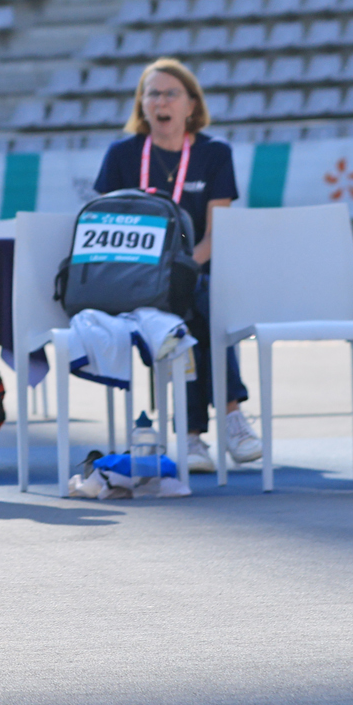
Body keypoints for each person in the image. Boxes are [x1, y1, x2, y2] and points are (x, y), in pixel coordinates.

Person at [91, 58, 260, 471]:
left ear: (190, 105)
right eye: (152, 93)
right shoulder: (122, 154)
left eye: (170, 93)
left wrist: (183, 271)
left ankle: (192, 435)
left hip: (196, 271)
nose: (160, 101)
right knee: (195, 304)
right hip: (135, 278)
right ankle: (228, 415)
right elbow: (106, 223)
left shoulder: (214, 153)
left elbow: (216, 234)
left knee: (195, 299)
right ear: (142, 105)